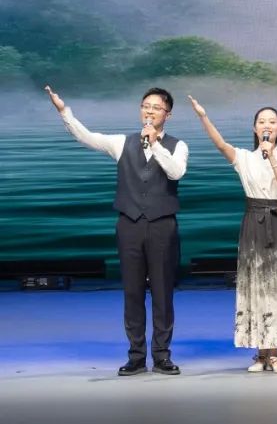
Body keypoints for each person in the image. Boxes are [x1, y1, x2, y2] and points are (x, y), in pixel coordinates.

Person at [45, 85, 187, 376]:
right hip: (129, 224)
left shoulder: (178, 145)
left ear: (168, 114)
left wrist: (155, 144)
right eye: (145, 106)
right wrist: (64, 112)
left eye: (156, 107)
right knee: (132, 292)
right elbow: (86, 137)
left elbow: (176, 172)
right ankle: (136, 356)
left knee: (162, 292)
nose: (149, 111)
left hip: (162, 225)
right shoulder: (122, 143)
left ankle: (162, 356)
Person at [189, 97, 277, 373]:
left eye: (272, 122)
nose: (267, 125)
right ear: (255, 128)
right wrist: (203, 116)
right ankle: (261, 353)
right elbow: (221, 145)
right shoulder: (244, 157)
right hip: (254, 222)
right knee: (256, 284)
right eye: (262, 121)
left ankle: (276, 353)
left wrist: (272, 156)